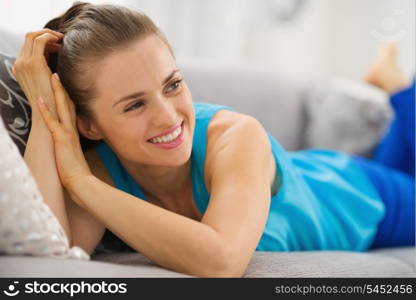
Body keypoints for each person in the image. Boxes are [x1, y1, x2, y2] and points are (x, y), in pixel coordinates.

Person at [12, 2, 415, 277]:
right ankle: (394, 88)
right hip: (323, 173)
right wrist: (44, 108)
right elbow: (50, 249)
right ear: (89, 125)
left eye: (172, 84)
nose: (168, 117)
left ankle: (403, 90)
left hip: (362, 195)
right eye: (134, 105)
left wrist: (79, 182)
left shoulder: (237, 134)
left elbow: (222, 261)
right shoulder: (101, 168)